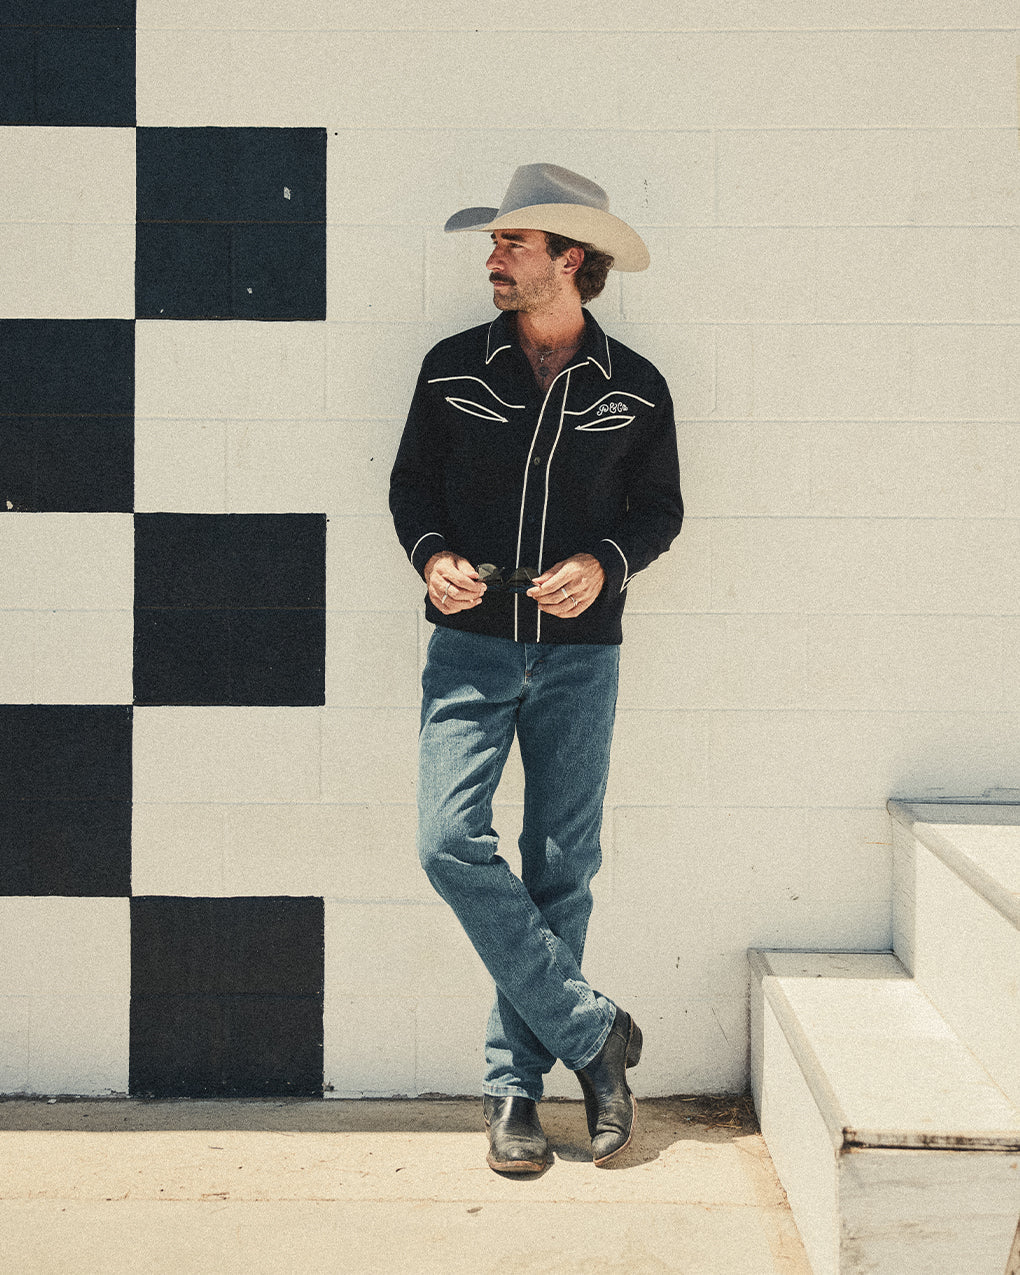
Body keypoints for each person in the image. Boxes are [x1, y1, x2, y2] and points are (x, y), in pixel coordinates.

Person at [389, 164, 683, 1173]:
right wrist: (432, 553)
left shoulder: (636, 387)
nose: (494, 258)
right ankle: (595, 1036)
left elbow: (660, 513)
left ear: (569, 257)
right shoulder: (450, 369)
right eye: (496, 243)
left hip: (580, 659)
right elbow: (410, 488)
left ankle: (514, 1089)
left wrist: (604, 564)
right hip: (468, 648)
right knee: (446, 842)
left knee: (562, 867)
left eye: (512, 243)